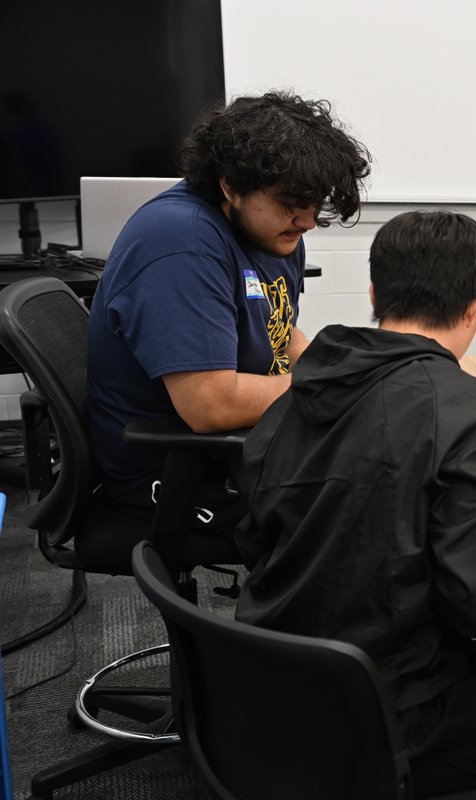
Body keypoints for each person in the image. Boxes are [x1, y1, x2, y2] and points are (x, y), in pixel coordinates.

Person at [235, 211, 476, 797]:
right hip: (392, 720)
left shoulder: (295, 394)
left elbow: (252, 538)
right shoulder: (465, 407)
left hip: (264, 694)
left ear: (375, 292)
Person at [86, 91, 371, 532]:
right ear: (231, 186)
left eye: (314, 203)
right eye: (291, 203)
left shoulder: (272, 231)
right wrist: (327, 386)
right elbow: (211, 407)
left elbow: (280, 327)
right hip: (180, 473)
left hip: (245, 443)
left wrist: (340, 368)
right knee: (377, 505)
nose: (309, 221)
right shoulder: (182, 243)